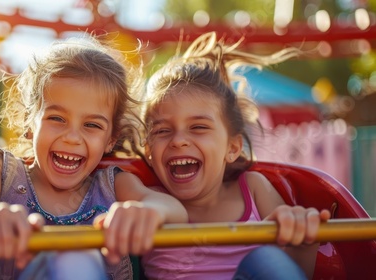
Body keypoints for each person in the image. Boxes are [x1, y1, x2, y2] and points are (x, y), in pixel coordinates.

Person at [0, 34, 188, 280]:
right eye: (57, 119)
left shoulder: (114, 186)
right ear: (29, 122)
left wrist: (148, 212)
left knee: (75, 260)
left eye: (92, 125)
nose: (72, 137)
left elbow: (175, 210)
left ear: (110, 139)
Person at [140, 32, 331, 280]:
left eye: (198, 127)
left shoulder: (252, 188)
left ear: (232, 148)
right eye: (163, 130)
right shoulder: (148, 198)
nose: (178, 140)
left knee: (267, 258)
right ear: (148, 151)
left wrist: (302, 239)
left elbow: (295, 270)